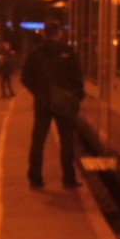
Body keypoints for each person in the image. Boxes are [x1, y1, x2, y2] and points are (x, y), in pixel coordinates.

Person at [20, 20, 84, 189]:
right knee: (67, 141)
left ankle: (35, 178)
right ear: (59, 33)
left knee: (38, 141)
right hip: (63, 104)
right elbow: (78, 79)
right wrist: (74, 97)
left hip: (42, 103)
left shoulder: (35, 53)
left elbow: (25, 78)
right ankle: (68, 179)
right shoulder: (68, 52)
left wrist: (39, 92)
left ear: (44, 33)